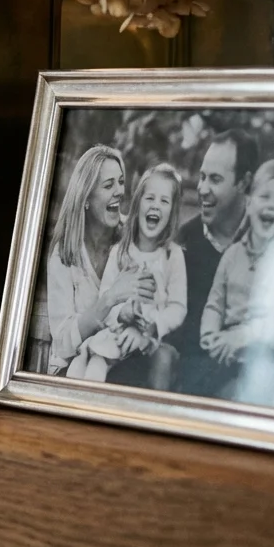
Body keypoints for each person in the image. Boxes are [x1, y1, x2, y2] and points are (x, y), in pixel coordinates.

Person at [197, 158, 274, 407]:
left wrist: (242, 338)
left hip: (264, 358)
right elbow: (215, 302)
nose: (271, 205)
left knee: (236, 398)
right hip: (224, 352)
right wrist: (211, 335)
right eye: (265, 196)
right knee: (197, 386)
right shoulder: (232, 254)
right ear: (249, 203)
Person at [36, 145, 156, 376]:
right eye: (108, 185)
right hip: (71, 366)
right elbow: (62, 344)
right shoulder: (64, 255)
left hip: (124, 355)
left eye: (121, 182)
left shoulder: (133, 238)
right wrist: (109, 299)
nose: (120, 191)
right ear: (86, 199)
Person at [67, 164, 187, 390]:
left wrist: (153, 325)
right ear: (138, 203)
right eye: (149, 198)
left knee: (153, 362)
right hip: (116, 332)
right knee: (95, 363)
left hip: (150, 336)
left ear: (172, 212)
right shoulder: (120, 252)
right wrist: (122, 313)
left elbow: (178, 308)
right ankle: (83, 405)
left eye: (164, 201)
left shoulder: (172, 255)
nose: (155, 206)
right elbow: (106, 297)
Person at [171, 130, 258, 394]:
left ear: (244, 183)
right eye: (202, 177)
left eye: (215, 180)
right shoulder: (183, 244)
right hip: (199, 386)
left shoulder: (269, 238)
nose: (202, 189)